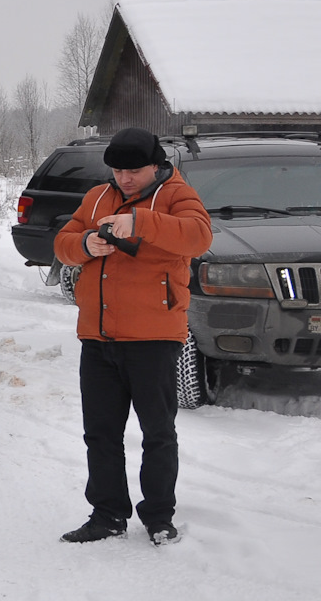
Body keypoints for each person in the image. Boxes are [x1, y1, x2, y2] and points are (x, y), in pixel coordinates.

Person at [53, 127, 212, 545]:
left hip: (154, 337)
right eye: (118, 170)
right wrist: (86, 243)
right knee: (100, 433)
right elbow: (62, 244)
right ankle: (107, 515)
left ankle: (159, 517)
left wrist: (139, 221)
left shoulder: (177, 194)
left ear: (157, 164)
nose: (125, 178)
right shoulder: (98, 197)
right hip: (98, 336)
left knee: (157, 432)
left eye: (134, 170)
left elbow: (199, 236)